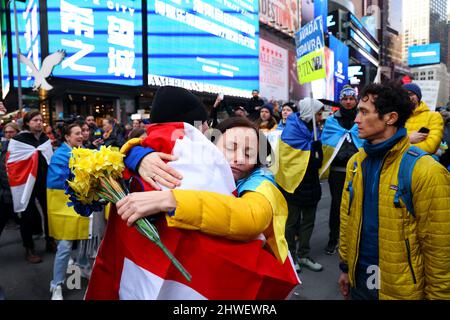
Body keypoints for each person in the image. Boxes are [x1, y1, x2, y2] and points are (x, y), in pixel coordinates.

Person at [85, 87, 298, 299]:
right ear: (210, 147)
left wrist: (172, 200)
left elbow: (249, 217)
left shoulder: (262, 182)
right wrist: (138, 155)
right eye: (231, 147)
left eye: (250, 153)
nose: (239, 158)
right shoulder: (196, 166)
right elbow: (145, 144)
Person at [338, 82, 450, 300]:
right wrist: (345, 267)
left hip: (401, 290)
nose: (356, 119)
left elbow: (440, 249)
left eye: (363, 112)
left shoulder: (425, 171)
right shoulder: (355, 163)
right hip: (359, 281)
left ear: (390, 117)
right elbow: (346, 218)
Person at [277, 98, 324, 272]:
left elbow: (317, 163)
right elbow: (287, 158)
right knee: (292, 222)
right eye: (318, 113)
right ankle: (292, 255)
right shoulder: (291, 129)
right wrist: (312, 150)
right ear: (309, 113)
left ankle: (304, 255)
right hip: (294, 184)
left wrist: (317, 149)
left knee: (309, 222)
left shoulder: (316, 131)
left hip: (311, 184)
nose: (320, 117)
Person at [47, 123, 93, 300]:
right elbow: (60, 181)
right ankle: (56, 284)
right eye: (76, 133)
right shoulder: (59, 155)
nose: (81, 136)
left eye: (81, 132)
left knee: (83, 240)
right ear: (67, 137)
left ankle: (81, 267)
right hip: (64, 206)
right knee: (65, 247)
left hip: (81, 203)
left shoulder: (84, 150)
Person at [6, 111, 55, 263]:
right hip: (26, 183)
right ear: (27, 123)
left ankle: (50, 240)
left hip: (44, 182)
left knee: (49, 213)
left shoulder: (45, 139)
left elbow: (49, 159)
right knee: (26, 215)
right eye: (35, 120)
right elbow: (11, 163)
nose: (39, 123)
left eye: (40, 120)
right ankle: (29, 248)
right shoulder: (18, 140)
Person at [320, 85, 363, 255]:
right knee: (337, 205)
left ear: (356, 100)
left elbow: (365, 140)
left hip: (357, 169)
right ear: (341, 100)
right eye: (345, 99)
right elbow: (327, 142)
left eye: (351, 98)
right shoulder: (332, 121)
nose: (348, 101)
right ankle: (333, 239)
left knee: (356, 205)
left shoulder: (363, 118)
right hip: (337, 171)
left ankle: (352, 239)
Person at [403, 83, 444, 154]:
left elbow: (430, 147)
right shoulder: (396, 116)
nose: (408, 97)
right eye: (404, 95)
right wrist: (408, 139)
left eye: (411, 94)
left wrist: (401, 145)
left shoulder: (433, 116)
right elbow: (388, 143)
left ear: (418, 96)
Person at [0, 123, 20, 236]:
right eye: (6, 132)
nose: (8, 134)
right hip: (5, 189)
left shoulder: (21, 148)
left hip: (17, 188)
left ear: (17, 132)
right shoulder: (3, 145)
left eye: (11, 132)